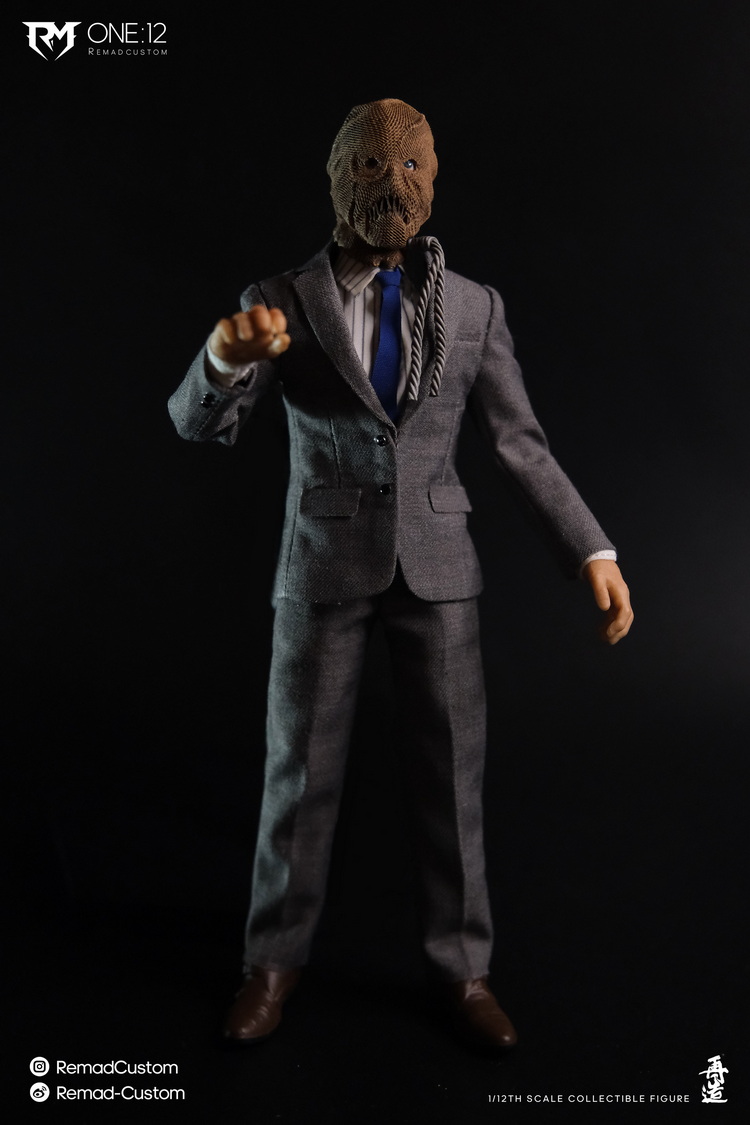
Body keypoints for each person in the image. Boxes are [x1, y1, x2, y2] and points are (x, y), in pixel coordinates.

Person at [168, 98, 633, 1051]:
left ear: (436, 179)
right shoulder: (282, 297)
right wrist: (221, 358)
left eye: (413, 165)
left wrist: (592, 550)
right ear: (337, 177)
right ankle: (272, 961)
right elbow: (198, 424)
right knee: (298, 774)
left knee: (453, 779)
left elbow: (520, 444)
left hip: (440, 566)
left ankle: (464, 969)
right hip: (322, 564)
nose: (395, 184)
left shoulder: (473, 306)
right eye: (372, 166)